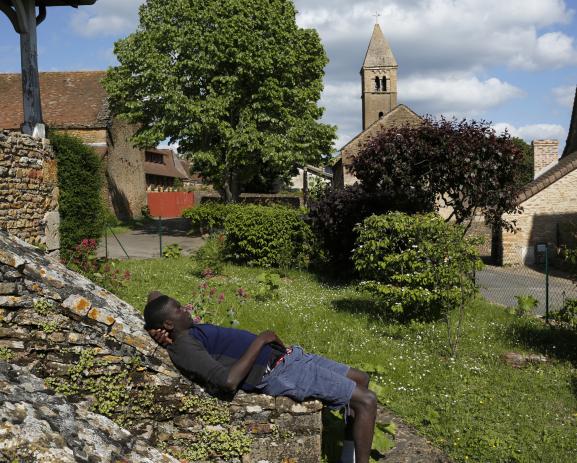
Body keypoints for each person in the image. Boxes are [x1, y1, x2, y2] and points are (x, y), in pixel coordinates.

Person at [144, 291, 377, 463]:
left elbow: (154, 297)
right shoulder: (183, 347)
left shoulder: (183, 330)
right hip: (279, 372)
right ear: (168, 323)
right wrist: (261, 340)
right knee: (367, 400)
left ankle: (349, 455)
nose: (186, 309)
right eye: (180, 309)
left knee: (361, 379)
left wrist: (151, 326)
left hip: (289, 358)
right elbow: (228, 381)